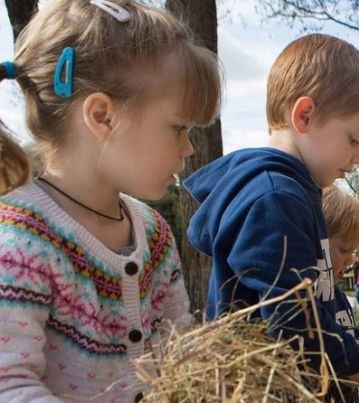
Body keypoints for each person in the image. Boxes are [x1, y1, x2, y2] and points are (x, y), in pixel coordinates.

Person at [0, 1, 221, 401]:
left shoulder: (152, 234)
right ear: (103, 117)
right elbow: (10, 385)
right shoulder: (19, 241)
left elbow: (178, 348)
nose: (188, 147)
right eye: (178, 127)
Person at [184, 33, 359, 393]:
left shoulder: (296, 192)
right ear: (305, 115)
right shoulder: (276, 199)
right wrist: (356, 363)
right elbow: (292, 321)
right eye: (355, 140)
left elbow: (314, 302)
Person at [322, 185, 359, 402]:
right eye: (344, 250)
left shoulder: (336, 295)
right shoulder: (312, 301)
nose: (350, 261)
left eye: (353, 252)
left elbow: (351, 332)